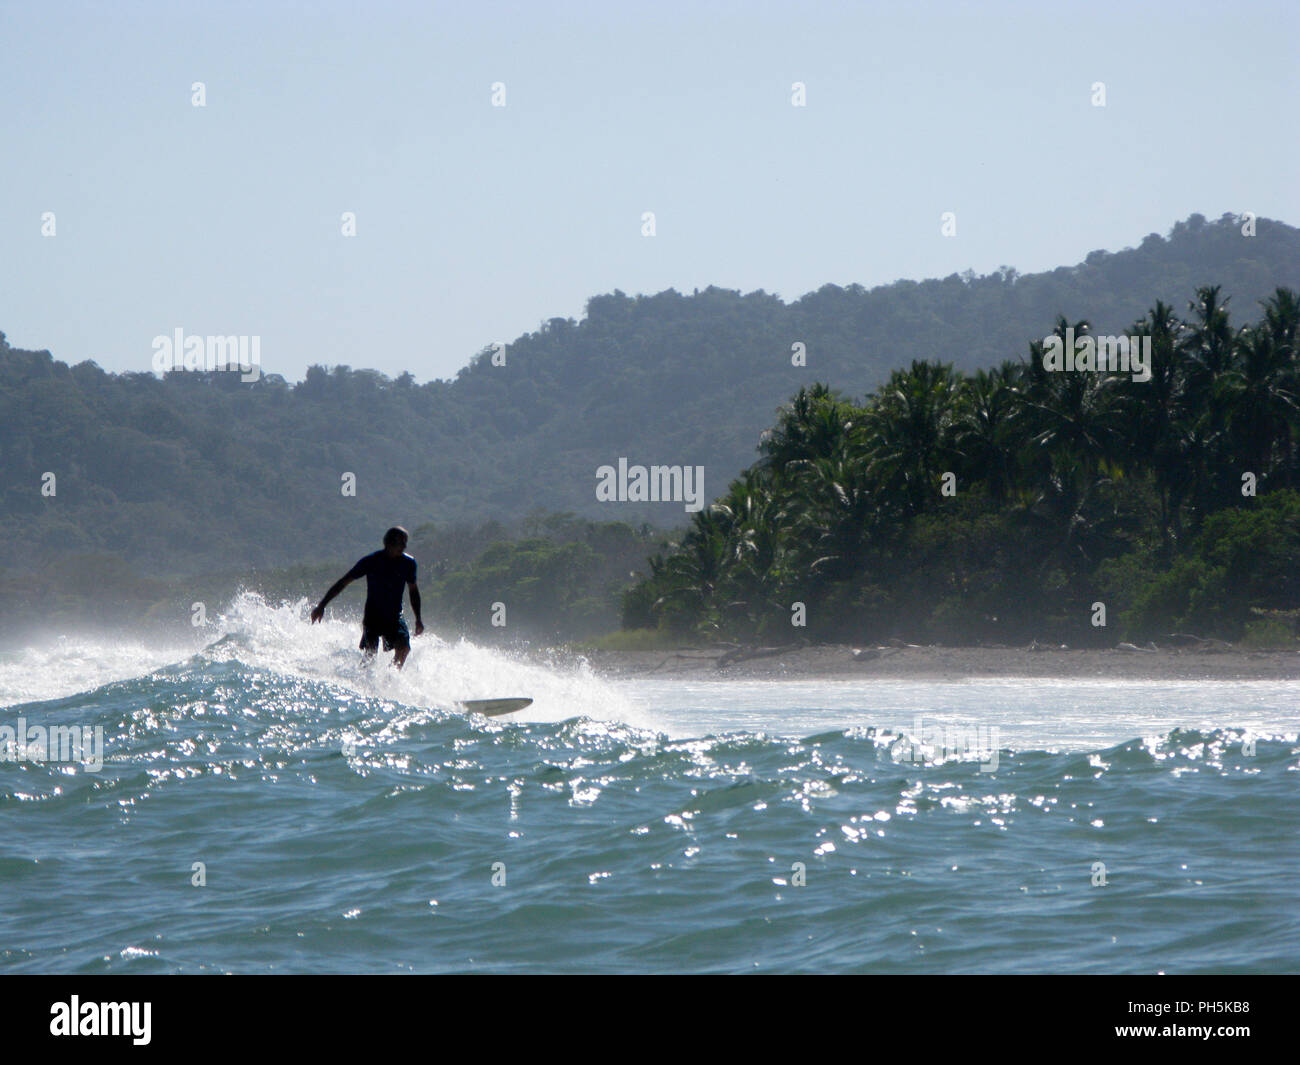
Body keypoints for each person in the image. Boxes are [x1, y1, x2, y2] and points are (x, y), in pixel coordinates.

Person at [311, 526, 425, 668]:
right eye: (400, 542)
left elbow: (413, 591)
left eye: (405, 542)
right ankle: (360, 682)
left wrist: (418, 619)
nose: (404, 546)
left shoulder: (408, 563)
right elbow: (343, 582)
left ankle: (390, 680)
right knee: (370, 655)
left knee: (404, 648)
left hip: (395, 616)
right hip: (373, 617)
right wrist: (322, 606)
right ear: (389, 543)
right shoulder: (372, 561)